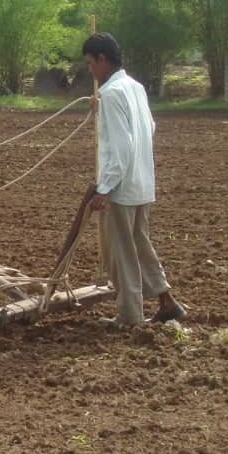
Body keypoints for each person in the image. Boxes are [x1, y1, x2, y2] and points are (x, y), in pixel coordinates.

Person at [82, 32, 186, 327]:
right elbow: (147, 128)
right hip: (142, 181)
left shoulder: (112, 94)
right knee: (141, 244)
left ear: (103, 59)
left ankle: (129, 316)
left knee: (121, 252)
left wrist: (105, 188)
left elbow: (122, 146)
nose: (90, 70)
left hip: (122, 188)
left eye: (91, 63)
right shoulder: (134, 87)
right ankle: (166, 301)